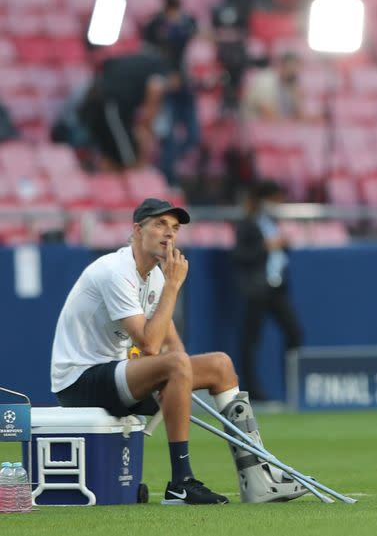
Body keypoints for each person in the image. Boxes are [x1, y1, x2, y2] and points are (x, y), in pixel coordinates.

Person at [50, 198, 306, 504]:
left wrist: (178, 383)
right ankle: (181, 482)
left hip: (117, 376)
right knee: (175, 365)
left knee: (220, 365)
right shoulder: (116, 271)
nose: (169, 234)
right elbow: (150, 345)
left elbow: (174, 347)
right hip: (80, 381)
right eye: (160, 224)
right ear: (137, 230)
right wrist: (173, 287)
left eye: (174, 227)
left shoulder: (155, 275)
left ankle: (257, 479)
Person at [232, 181, 303, 401]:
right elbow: (240, 256)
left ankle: (292, 386)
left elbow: (278, 251)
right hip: (256, 288)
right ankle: (252, 390)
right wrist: (265, 248)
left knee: (294, 332)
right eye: (275, 199)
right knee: (251, 341)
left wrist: (283, 244)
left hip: (276, 287)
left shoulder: (272, 223)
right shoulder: (247, 224)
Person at [141, 0, 200, 187]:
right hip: (166, 87)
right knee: (169, 135)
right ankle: (167, 175)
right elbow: (149, 57)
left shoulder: (189, 22)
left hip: (185, 85)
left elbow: (195, 51)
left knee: (193, 135)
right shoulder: (154, 25)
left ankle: (171, 167)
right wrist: (165, 77)